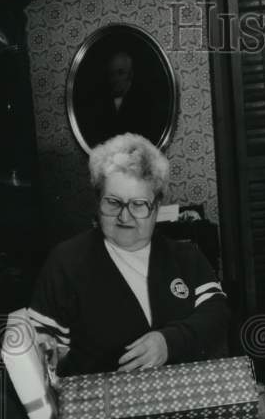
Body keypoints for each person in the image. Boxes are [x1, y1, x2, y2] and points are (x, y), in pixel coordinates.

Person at [28, 133, 228, 376]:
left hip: (184, 394)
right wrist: (48, 351)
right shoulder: (65, 262)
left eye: (138, 204)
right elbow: (42, 344)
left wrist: (169, 341)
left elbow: (217, 314)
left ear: (156, 207)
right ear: (98, 201)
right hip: (102, 397)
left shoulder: (186, 256)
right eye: (113, 202)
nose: (124, 216)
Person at [86, 51, 162, 146]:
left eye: (120, 73)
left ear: (131, 74)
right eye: (112, 74)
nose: (115, 79)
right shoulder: (100, 103)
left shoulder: (145, 103)